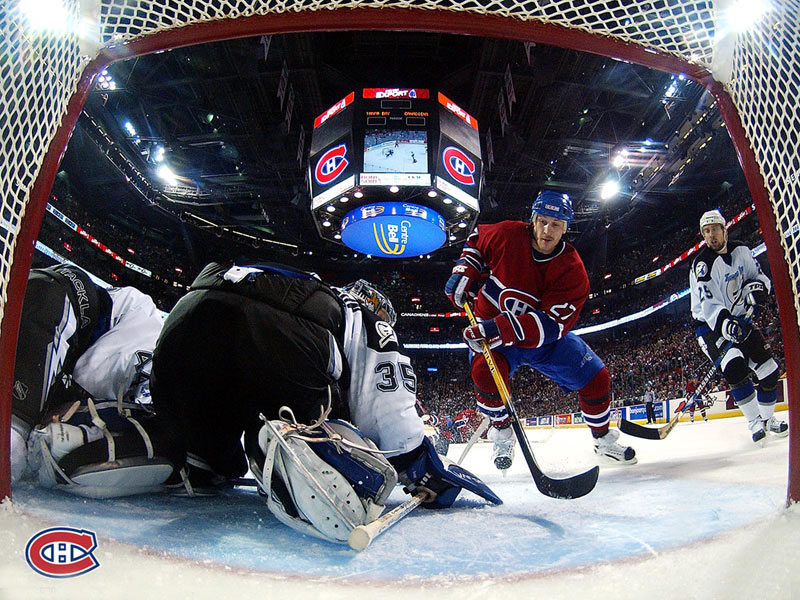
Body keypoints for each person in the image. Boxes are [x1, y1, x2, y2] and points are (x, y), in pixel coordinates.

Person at [146, 262, 499, 543]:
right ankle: (291, 448)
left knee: (214, 461)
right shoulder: (360, 311)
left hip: (185, 317)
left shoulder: (312, 285)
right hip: (278, 331)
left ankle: (188, 455)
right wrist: (418, 464)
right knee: (335, 421)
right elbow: (386, 412)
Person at [444, 190, 637, 470]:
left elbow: (552, 325)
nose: (547, 230)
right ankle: (502, 431)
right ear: (533, 220)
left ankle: (602, 439)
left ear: (565, 228)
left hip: (538, 340)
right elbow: (476, 239)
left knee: (597, 377)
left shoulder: (572, 271)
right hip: (493, 334)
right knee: (483, 375)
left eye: (556, 224)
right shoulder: (508, 234)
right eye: (543, 221)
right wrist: (465, 269)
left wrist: (498, 327)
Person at [9, 263, 167, 488]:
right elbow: (88, 378)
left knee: (19, 435)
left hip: (52, 292)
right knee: (15, 437)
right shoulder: (147, 328)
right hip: (64, 298)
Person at [689, 209, 787, 443]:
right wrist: (728, 326)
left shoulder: (742, 250)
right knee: (734, 366)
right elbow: (710, 306)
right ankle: (754, 423)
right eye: (706, 231)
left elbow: (760, 279)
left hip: (740, 319)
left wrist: (758, 293)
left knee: (770, 371)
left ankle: (766, 419)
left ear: (725, 229)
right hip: (711, 327)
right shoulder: (702, 264)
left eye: (714, 229)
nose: (711, 235)